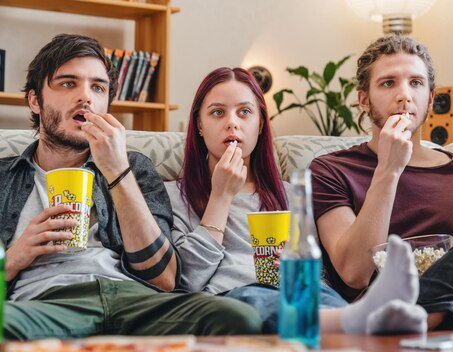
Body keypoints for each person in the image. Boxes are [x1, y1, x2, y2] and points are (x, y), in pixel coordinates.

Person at [0, 33, 263, 340]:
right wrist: (13, 258)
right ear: (35, 100)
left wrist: (116, 170)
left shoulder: (135, 168)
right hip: (47, 303)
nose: (86, 97)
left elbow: (164, 278)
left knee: (237, 318)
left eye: (98, 87)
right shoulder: (5, 178)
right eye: (68, 83)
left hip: (135, 300)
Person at [168, 66, 429, 335]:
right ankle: (360, 317)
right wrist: (220, 197)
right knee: (252, 301)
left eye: (245, 112)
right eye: (217, 112)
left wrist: (300, 265)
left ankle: (364, 317)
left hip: (303, 296)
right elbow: (185, 281)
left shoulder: (292, 194)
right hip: (231, 300)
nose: (232, 122)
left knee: (322, 297)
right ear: (199, 125)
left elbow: (320, 278)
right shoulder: (174, 196)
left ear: (260, 125)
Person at [310, 34, 453, 330]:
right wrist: (389, 170)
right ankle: (419, 319)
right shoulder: (331, 170)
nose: (404, 95)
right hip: (387, 313)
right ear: (363, 99)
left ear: (431, 99)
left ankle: (427, 319)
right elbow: (354, 272)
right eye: (388, 83)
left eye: (416, 83)